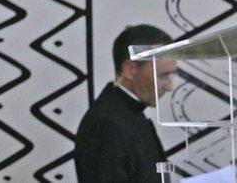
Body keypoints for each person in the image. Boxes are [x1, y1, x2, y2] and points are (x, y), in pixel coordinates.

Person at [74, 24, 177, 183]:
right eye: (162, 75)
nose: (169, 86)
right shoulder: (107, 124)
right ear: (130, 69)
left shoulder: (126, 114)